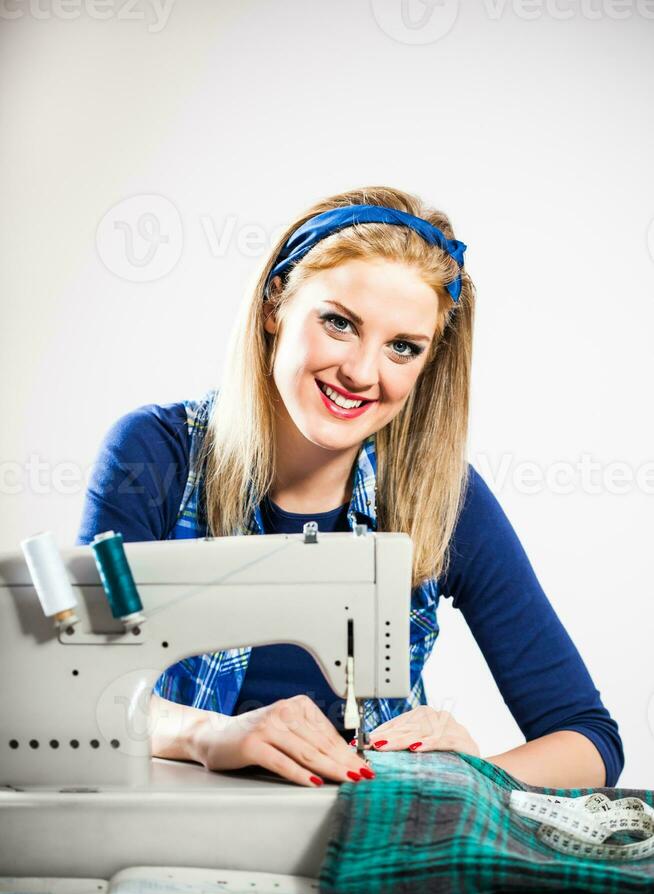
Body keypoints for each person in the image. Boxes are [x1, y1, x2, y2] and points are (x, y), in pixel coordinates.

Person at [76, 186, 623, 791]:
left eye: (402, 348)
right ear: (273, 306)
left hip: (363, 844)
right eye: (339, 323)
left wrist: (470, 777)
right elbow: (80, 692)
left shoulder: (441, 497)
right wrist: (208, 735)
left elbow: (588, 738)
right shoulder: (156, 456)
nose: (363, 373)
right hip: (177, 836)